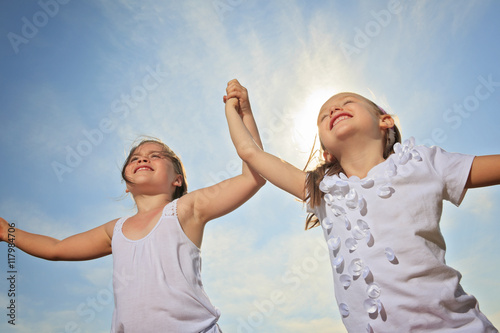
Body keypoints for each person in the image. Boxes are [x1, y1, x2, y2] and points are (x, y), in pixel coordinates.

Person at [224, 79, 499, 332]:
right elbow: (251, 153)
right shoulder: (324, 193)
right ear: (326, 152)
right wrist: (241, 111)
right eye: (323, 115)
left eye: (346, 102)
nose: (333, 109)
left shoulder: (421, 162)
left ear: (385, 121)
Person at [0, 94, 265, 332]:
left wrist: (245, 114)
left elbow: (253, 176)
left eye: (156, 156)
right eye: (134, 157)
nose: (142, 158)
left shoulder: (187, 209)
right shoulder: (114, 230)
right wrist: (6, 232)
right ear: (127, 185)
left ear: (178, 180)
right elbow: (56, 248)